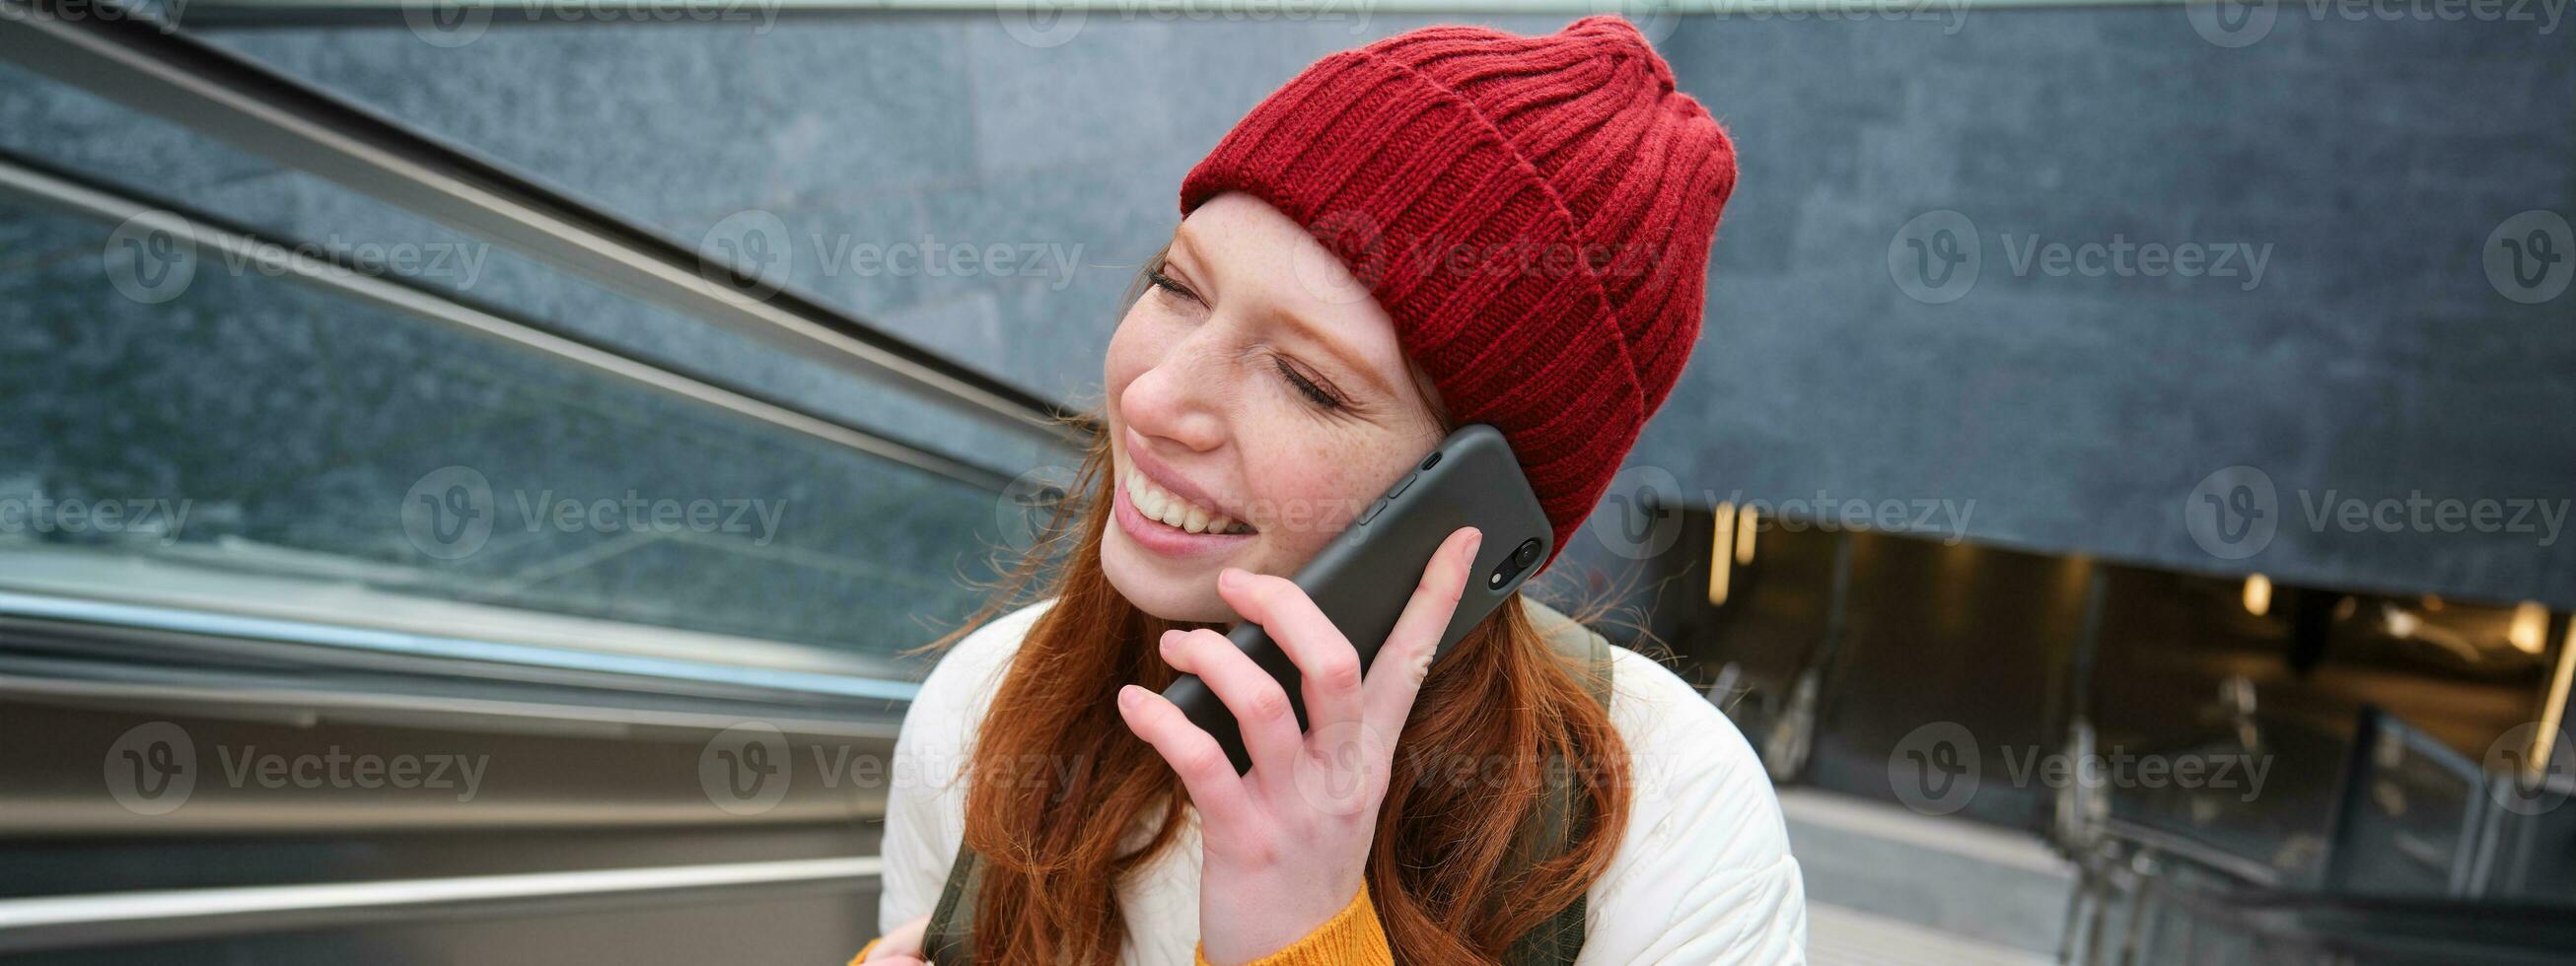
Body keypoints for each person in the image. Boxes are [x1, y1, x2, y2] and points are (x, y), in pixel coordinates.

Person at [854, 14, 1804, 965]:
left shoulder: (1671, 822)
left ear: (1483, 509)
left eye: (1309, 383)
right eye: (1177, 286)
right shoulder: (982, 708)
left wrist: (1303, 937)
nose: (1150, 398)